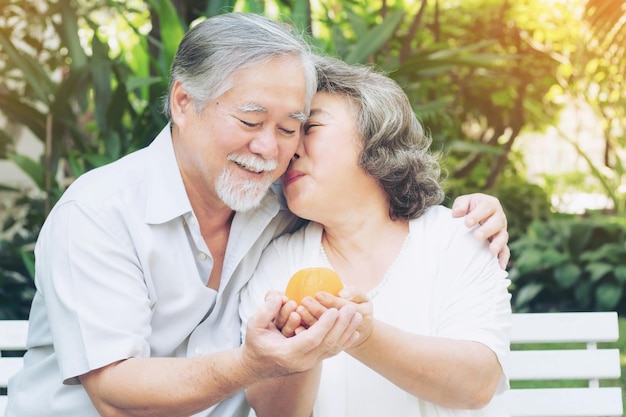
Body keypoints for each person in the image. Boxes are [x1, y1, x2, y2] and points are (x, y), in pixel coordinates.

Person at [6, 12, 509, 417]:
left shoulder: (276, 204)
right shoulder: (98, 213)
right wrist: (251, 364)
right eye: (250, 119)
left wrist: (481, 211)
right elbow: (116, 395)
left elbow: (368, 205)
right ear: (183, 102)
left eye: (294, 127)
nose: (273, 150)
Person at [240, 55, 512, 417]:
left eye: (311, 129)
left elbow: (477, 385)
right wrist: (303, 350)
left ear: (373, 137)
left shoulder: (457, 237)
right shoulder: (278, 260)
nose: (290, 150)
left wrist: (362, 336)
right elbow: (273, 412)